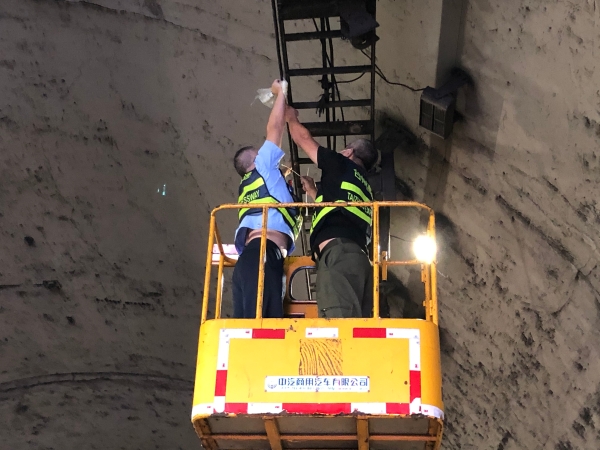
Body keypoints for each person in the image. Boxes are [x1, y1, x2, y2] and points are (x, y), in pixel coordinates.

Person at [285, 106, 377, 318]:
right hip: (358, 260)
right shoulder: (365, 189)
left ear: (349, 153)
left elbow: (304, 138)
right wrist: (314, 192)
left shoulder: (342, 163)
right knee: (357, 329)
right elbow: (339, 209)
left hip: (339, 257)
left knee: (337, 327)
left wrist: (290, 118)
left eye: (344, 149)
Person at [232, 80, 301, 319]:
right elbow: (274, 127)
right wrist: (280, 92)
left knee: (248, 331)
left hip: (250, 260)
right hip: (263, 255)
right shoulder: (263, 166)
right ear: (256, 160)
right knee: (265, 327)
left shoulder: (248, 186)